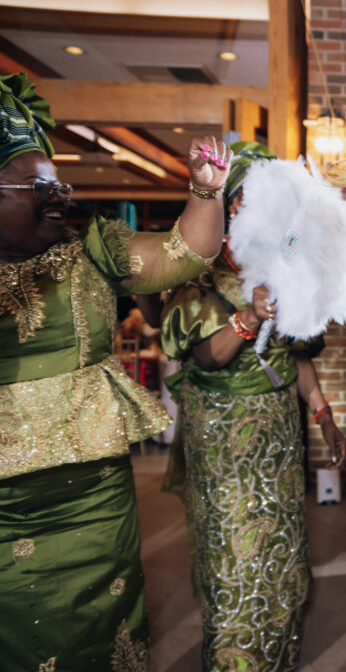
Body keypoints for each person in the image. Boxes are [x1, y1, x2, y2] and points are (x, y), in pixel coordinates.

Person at [0, 72, 229, 669]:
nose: (58, 197)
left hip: (96, 500)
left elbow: (186, 255)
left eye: (59, 183)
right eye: (37, 186)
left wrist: (205, 192)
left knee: (105, 625)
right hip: (5, 510)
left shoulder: (92, 254)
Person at [160, 142, 346, 671]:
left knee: (281, 554)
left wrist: (324, 416)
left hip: (279, 440)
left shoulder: (286, 267)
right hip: (224, 443)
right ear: (230, 204)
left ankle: (279, 656)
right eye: (249, 198)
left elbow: (296, 358)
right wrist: (249, 316)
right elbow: (207, 356)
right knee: (233, 558)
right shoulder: (199, 272)